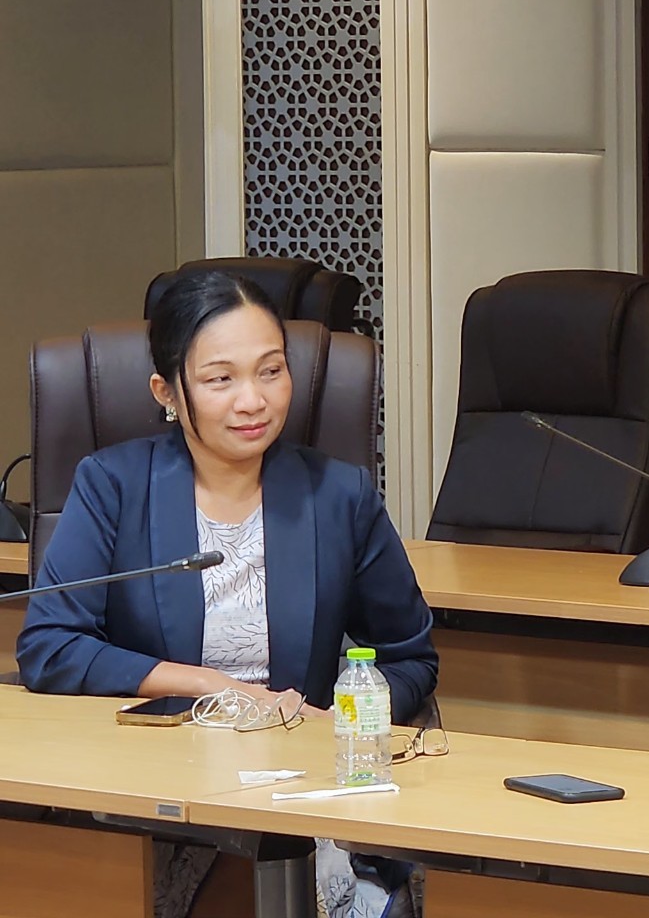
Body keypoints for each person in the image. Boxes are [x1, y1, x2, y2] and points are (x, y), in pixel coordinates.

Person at [17, 271, 436, 917]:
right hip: (152, 792)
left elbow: (409, 658)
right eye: (220, 379)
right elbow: (50, 646)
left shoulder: (339, 495)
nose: (253, 401)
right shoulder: (112, 485)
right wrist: (210, 686)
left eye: (271, 371)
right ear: (167, 392)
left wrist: (347, 718)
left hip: (295, 792)